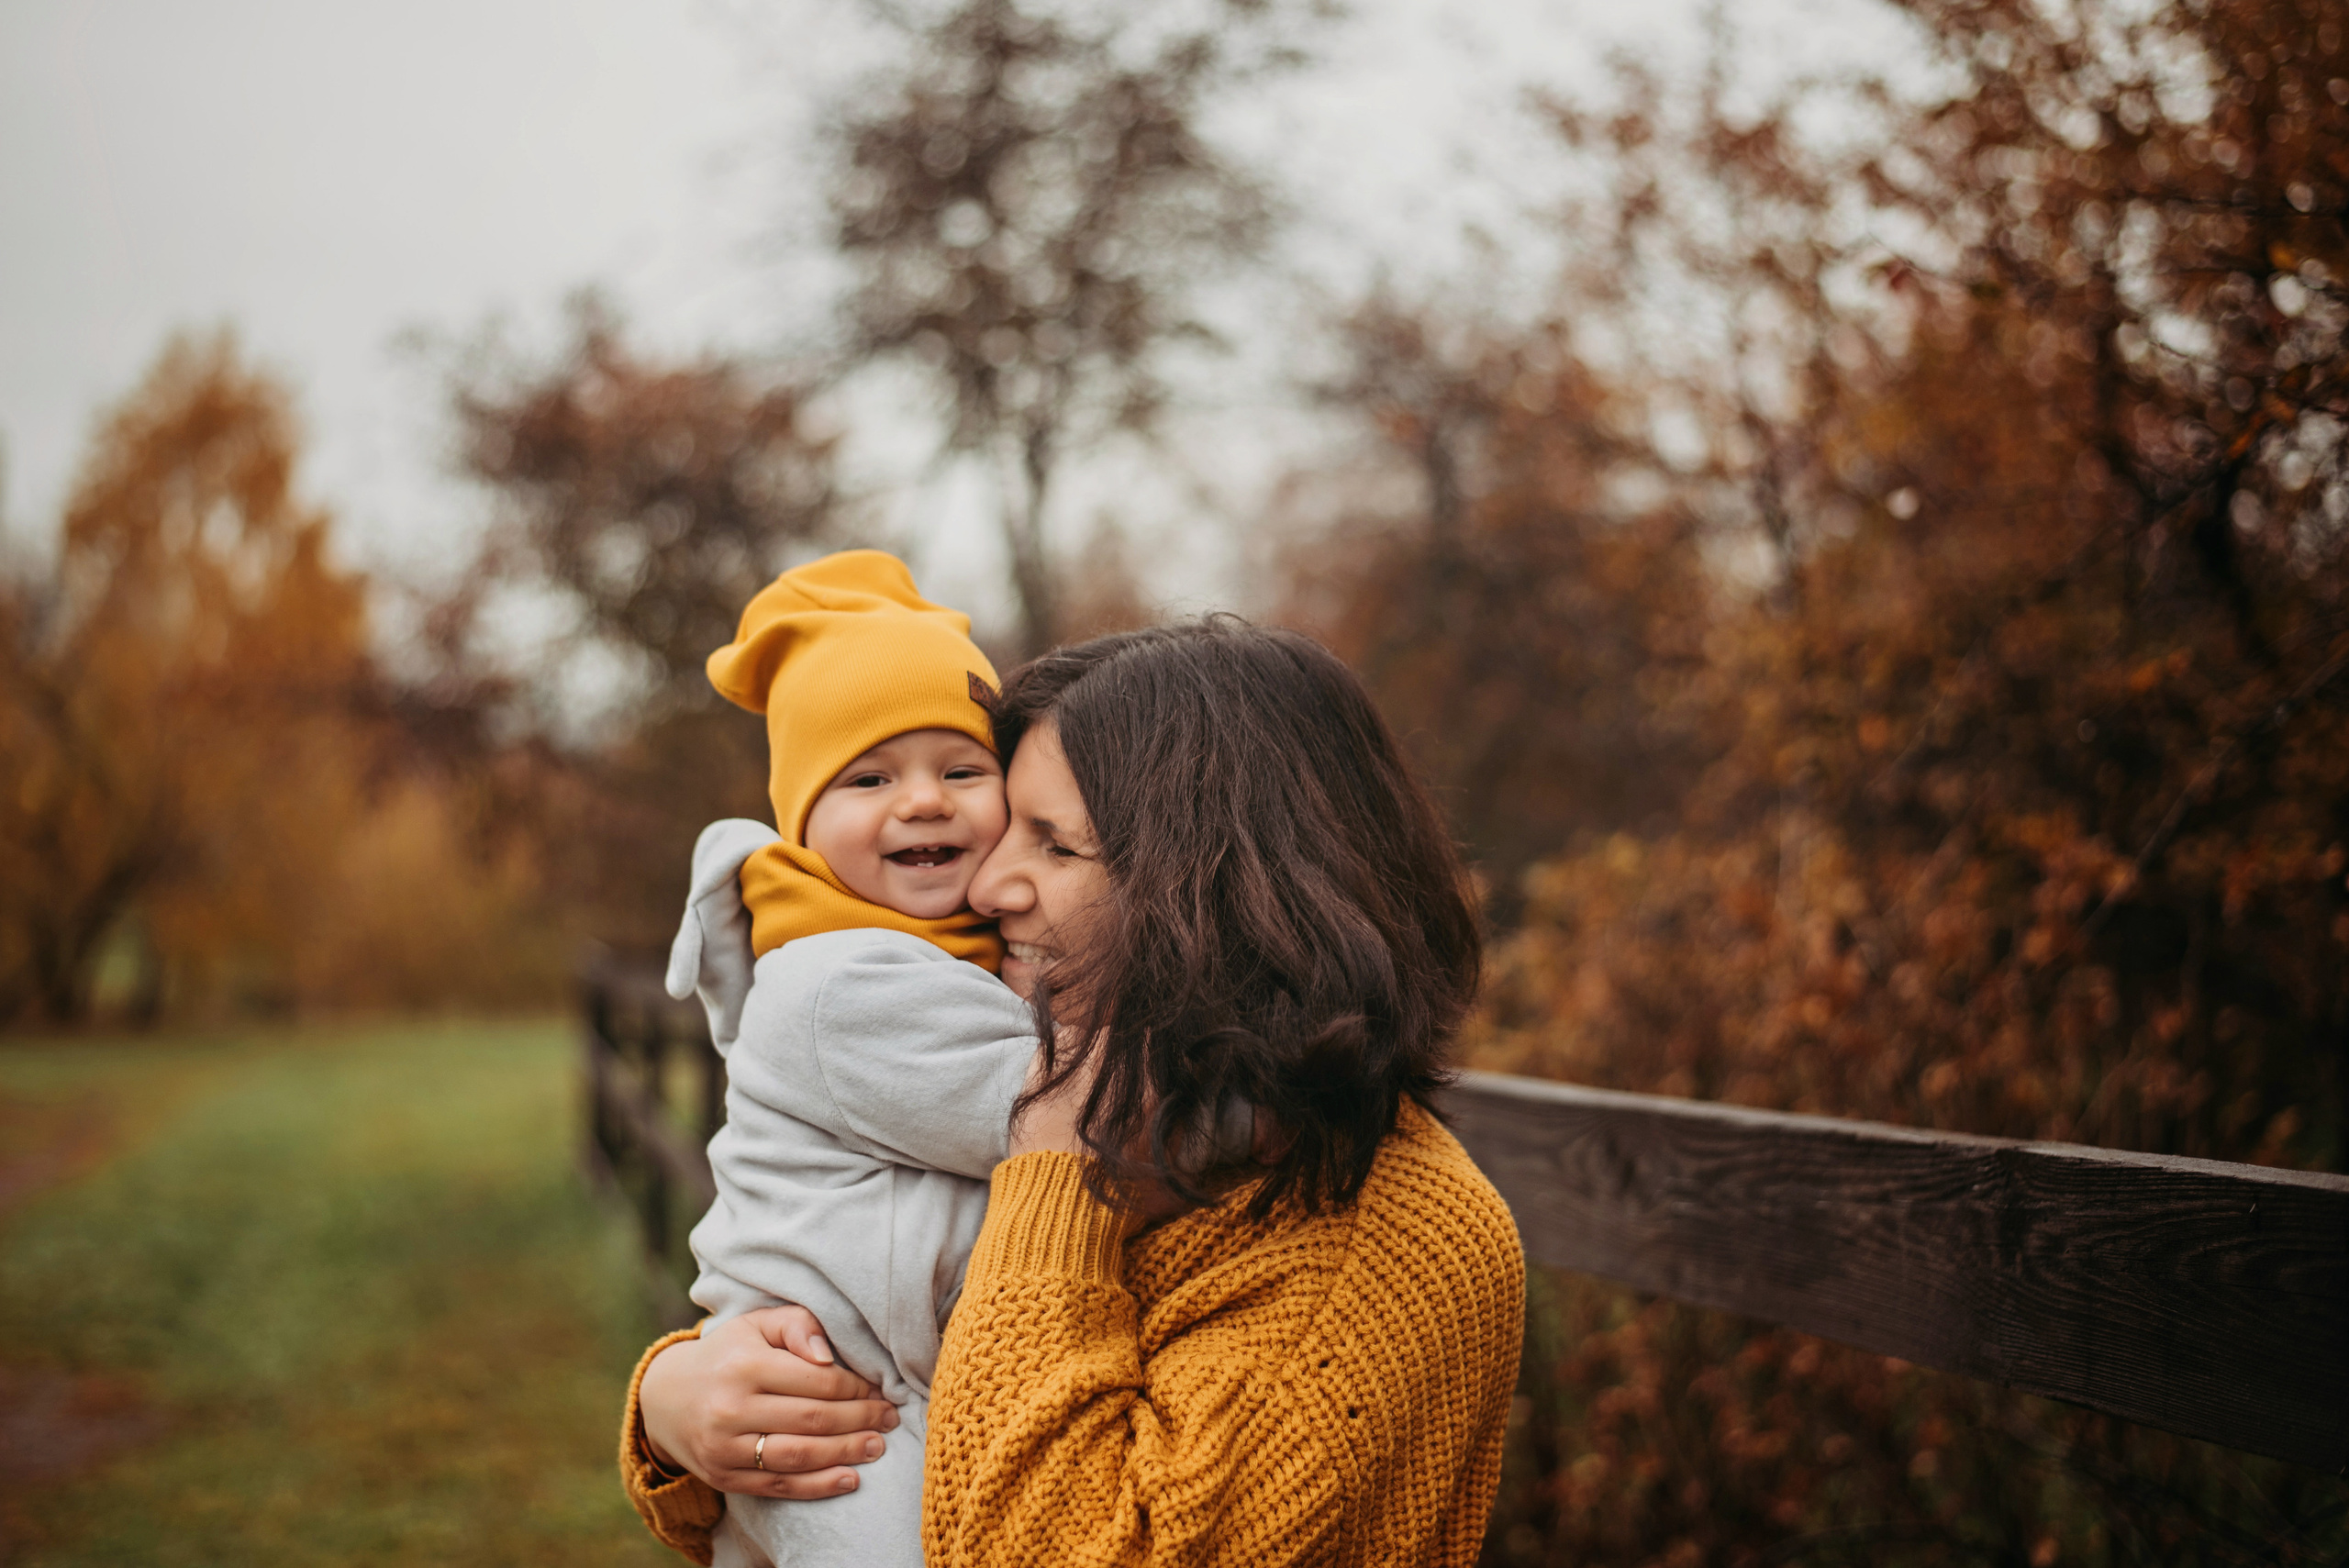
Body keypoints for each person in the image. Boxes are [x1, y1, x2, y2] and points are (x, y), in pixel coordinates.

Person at [625, 617, 1527, 1567]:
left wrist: (1053, 1171)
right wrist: (678, 1406)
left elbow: (1037, 1536)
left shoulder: (1381, 1235)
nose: (992, 883)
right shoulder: (1129, 1117)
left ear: (1223, 886)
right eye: (1008, 825)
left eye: (1054, 845)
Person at [655, 549, 1041, 1568]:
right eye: (869, 777)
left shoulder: (958, 953)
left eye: (963, 769)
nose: (922, 801)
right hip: (839, 1401)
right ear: (803, 825)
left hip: (886, 1383)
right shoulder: (842, 982)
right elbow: (1052, 1114)